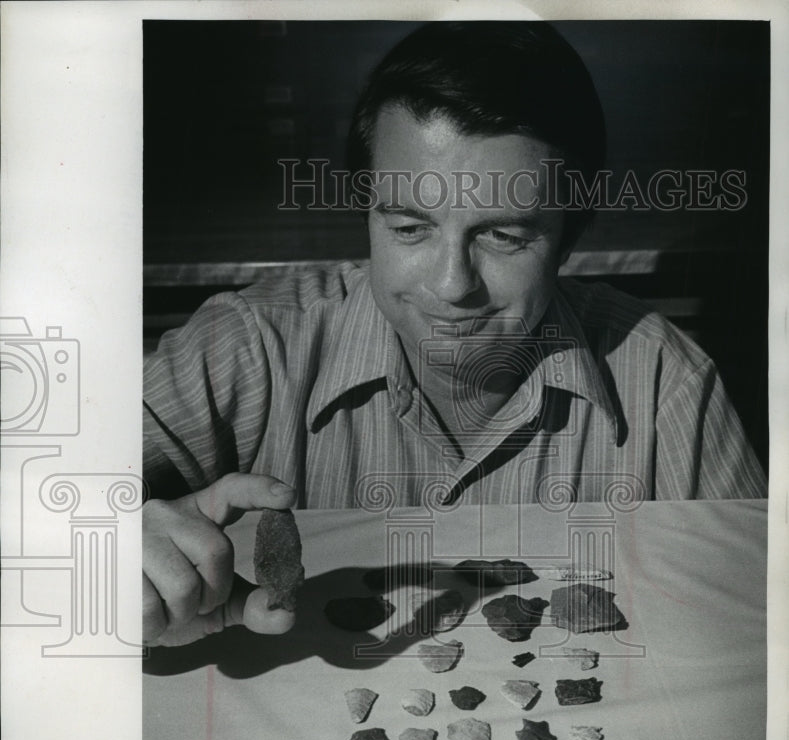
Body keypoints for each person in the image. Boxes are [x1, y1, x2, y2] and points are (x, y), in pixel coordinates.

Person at [143, 21, 766, 647]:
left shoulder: (667, 384)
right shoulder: (252, 345)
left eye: (503, 236)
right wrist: (107, 539)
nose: (450, 286)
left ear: (572, 235)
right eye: (410, 228)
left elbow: (759, 624)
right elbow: (56, 487)